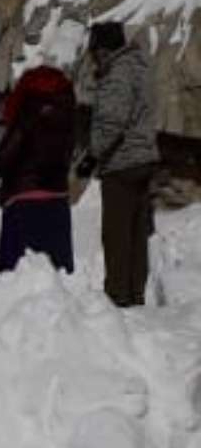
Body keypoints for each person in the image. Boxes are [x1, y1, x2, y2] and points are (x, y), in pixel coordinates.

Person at [76, 21, 160, 307]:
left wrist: (91, 156)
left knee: (116, 233)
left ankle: (118, 297)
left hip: (122, 163)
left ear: (102, 49)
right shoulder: (140, 68)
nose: (91, 57)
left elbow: (112, 120)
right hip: (145, 158)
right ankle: (135, 293)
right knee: (138, 233)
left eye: (93, 51)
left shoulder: (118, 74)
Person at [0, 66, 77, 274]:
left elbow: (9, 150)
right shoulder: (68, 115)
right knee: (58, 277)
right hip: (58, 200)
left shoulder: (28, 110)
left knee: (12, 275)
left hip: (24, 201)